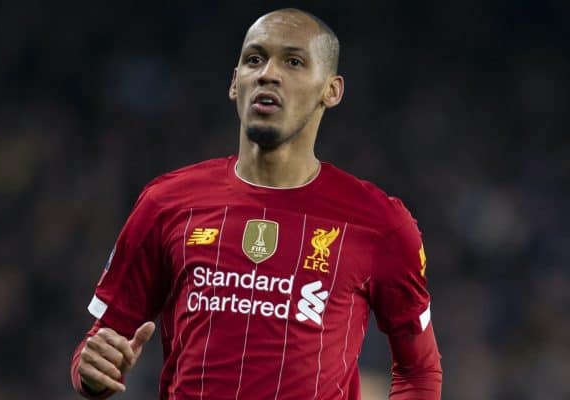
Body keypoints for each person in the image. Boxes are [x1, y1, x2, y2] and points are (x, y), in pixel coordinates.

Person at [70, 8, 442, 400]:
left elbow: (419, 371)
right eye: (254, 59)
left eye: (294, 62)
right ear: (235, 83)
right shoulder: (166, 203)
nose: (268, 73)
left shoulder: (380, 224)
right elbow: (97, 348)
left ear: (331, 91)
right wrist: (91, 370)